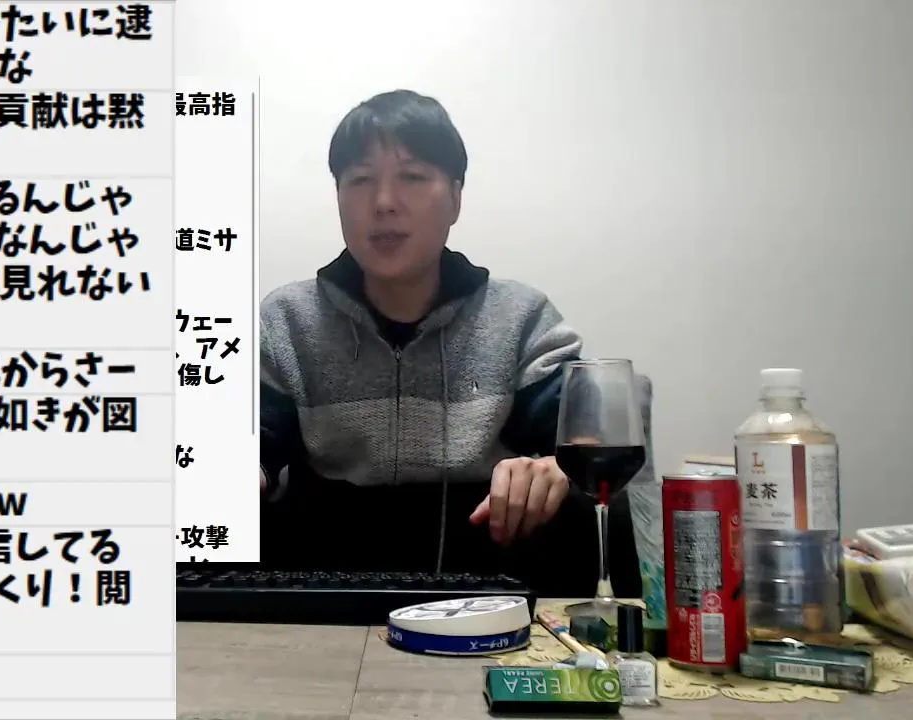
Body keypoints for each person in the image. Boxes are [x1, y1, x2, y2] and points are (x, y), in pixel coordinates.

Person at [257, 89, 640, 598]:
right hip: (326, 602)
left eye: (412, 177)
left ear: (456, 197)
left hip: (487, 599)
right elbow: (251, 440)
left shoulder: (518, 317)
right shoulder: (288, 320)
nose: (384, 202)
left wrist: (556, 471)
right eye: (361, 180)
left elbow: (583, 435)